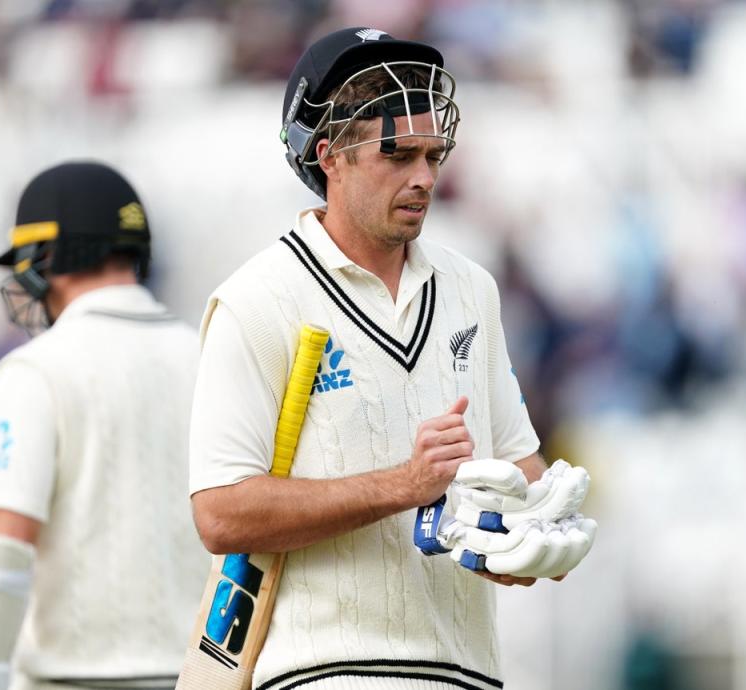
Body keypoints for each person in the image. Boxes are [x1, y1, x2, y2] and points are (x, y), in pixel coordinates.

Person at [188, 27, 594, 690]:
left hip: (465, 673)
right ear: (331, 155)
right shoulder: (257, 301)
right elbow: (222, 514)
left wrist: (533, 534)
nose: (424, 178)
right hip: (322, 674)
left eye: (435, 155)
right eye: (398, 155)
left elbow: (520, 468)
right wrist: (403, 485)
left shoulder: (471, 291)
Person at [0, 161, 208, 690]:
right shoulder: (207, 351)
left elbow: (6, 547)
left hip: (75, 677)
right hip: (202, 672)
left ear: (47, 255)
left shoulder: (35, 367)